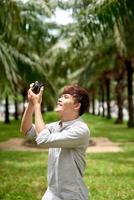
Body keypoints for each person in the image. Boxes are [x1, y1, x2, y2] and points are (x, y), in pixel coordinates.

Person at [20, 84, 90, 200]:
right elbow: (26, 130)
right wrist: (31, 104)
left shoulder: (81, 130)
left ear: (77, 105)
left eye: (66, 97)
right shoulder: (56, 126)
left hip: (72, 195)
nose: (60, 99)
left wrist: (38, 105)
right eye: (61, 96)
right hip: (52, 192)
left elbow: (43, 140)